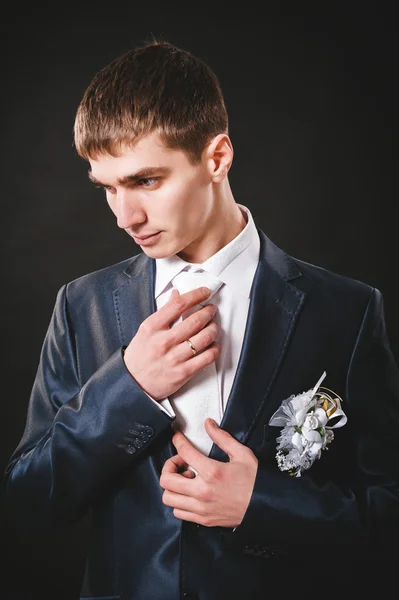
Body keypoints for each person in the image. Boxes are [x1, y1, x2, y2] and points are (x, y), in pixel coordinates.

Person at [4, 39, 399, 600]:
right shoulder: (79, 306)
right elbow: (26, 506)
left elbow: (388, 512)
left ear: (216, 158)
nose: (126, 216)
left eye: (145, 181)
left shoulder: (349, 311)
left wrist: (259, 505)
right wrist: (130, 388)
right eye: (107, 189)